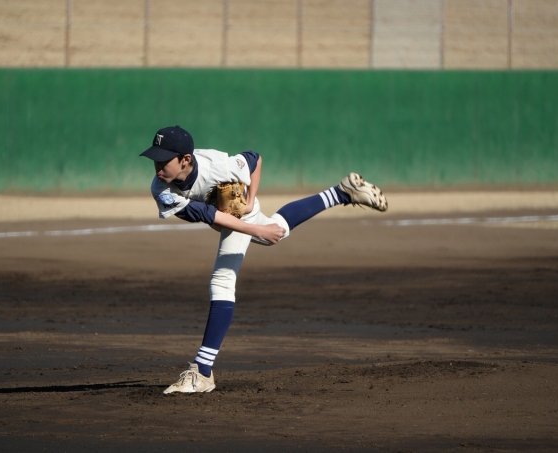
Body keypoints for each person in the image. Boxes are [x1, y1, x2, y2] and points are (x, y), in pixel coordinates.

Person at [140, 125, 388, 394]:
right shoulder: (161, 189)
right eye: (155, 159)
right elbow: (206, 215)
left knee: (222, 281)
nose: (158, 166)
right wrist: (259, 230)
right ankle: (341, 192)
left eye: (164, 160)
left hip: (238, 208)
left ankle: (202, 372)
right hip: (222, 213)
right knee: (276, 230)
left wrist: (250, 201)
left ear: (185, 159)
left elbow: (254, 159)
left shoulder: (220, 168)